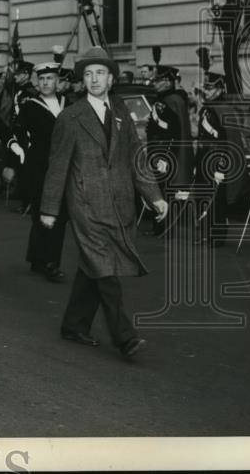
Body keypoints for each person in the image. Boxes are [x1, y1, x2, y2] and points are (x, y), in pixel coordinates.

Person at [39, 46, 169, 359]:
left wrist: (154, 196)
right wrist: (49, 208)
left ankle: (74, 323)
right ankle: (124, 336)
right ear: (82, 80)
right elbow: (57, 166)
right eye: (88, 74)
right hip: (85, 204)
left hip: (119, 203)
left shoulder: (121, 111)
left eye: (100, 73)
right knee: (105, 269)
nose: (94, 79)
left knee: (93, 266)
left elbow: (136, 156)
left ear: (111, 78)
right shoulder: (71, 117)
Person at [8, 60, 67, 283]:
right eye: (41, 79)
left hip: (63, 167)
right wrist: (18, 161)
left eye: (49, 78)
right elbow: (19, 133)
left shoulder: (67, 103)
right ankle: (43, 260)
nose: (45, 83)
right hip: (39, 166)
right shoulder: (30, 105)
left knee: (59, 215)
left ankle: (47, 259)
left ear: (58, 81)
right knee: (42, 212)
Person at [192, 67, 246, 246]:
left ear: (221, 89)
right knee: (203, 197)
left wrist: (222, 167)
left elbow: (230, 142)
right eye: (205, 88)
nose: (207, 91)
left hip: (217, 161)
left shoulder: (225, 109)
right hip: (204, 159)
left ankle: (216, 237)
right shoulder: (207, 109)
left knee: (216, 202)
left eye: (210, 88)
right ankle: (205, 233)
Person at [146, 63, 194, 236]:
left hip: (164, 153)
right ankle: (163, 226)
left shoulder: (169, 101)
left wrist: (164, 157)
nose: (154, 84)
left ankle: (163, 227)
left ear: (167, 81)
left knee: (162, 190)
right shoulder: (172, 99)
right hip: (164, 152)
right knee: (165, 190)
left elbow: (171, 132)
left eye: (157, 81)